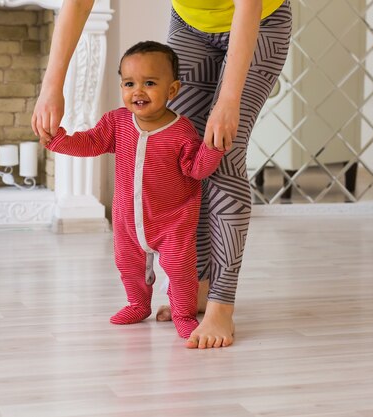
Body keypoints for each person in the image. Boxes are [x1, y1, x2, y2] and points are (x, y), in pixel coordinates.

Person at [32, 0, 293, 349]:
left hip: (259, 20)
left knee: (224, 153)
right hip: (190, 23)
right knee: (182, 155)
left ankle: (221, 305)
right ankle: (198, 287)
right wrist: (52, 86)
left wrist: (228, 101)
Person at [41, 41, 225, 339]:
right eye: (129, 83)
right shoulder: (117, 122)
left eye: (149, 83)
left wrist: (213, 148)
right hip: (127, 219)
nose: (137, 91)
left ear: (172, 90)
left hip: (173, 221)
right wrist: (59, 141)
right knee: (128, 265)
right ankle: (138, 304)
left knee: (180, 270)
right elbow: (91, 142)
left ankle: (182, 312)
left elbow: (196, 169)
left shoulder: (182, 131)